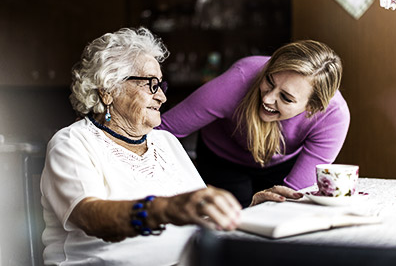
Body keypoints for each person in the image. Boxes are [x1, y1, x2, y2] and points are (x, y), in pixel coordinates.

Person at [40, 27, 302, 266]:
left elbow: (197, 216)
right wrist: (165, 208)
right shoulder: (72, 143)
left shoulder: (164, 141)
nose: (162, 96)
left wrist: (246, 211)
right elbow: (89, 216)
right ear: (108, 90)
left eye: (161, 85)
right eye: (150, 84)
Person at [158, 40, 350, 207]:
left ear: (313, 107)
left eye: (285, 97)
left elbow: (294, 195)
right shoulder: (240, 78)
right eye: (269, 81)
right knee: (231, 220)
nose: (267, 98)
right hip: (222, 159)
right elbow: (162, 129)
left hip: (282, 164)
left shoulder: (333, 117)